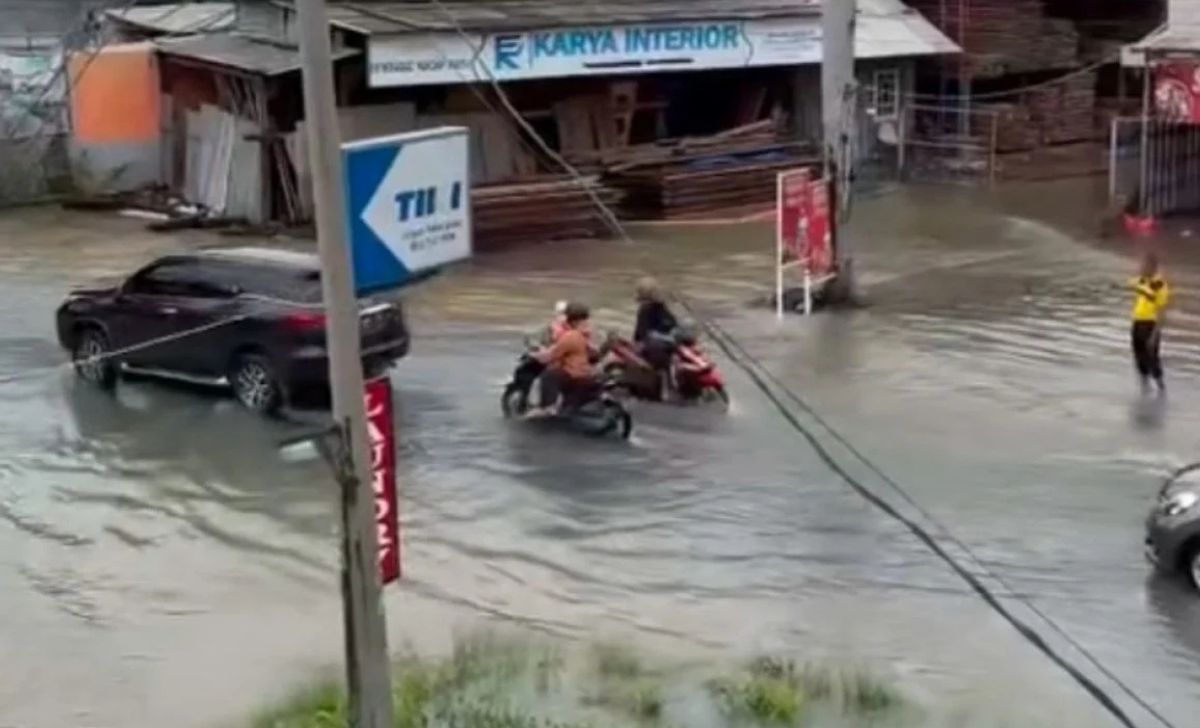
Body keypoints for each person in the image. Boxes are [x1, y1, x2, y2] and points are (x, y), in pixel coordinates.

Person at [534, 302, 597, 413]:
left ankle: (548, 407)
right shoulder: (585, 332)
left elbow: (552, 355)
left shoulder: (570, 335)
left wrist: (538, 356)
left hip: (575, 374)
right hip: (585, 371)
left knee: (548, 376)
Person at [1130, 252, 1170, 395]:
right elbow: (1131, 284)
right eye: (1142, 265)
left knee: (1152, 358)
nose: (1142, 268)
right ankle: (1144, 389)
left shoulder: (1159, 285)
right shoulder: (1141, 281)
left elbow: (1162, 310)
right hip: (1137, 322)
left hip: (1150, 324)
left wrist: (1155, 333)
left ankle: (1161, 389)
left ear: (1153, 267)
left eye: (1145, 265)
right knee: (1139, 357)